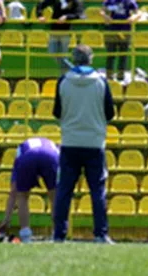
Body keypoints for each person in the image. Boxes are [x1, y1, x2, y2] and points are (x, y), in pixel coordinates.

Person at [51, 45, 115, 243]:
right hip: (94, 143)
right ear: (91, 59)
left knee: (64, 191)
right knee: (97, 190)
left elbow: (57, 112)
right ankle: (100, 234)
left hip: (70, 142)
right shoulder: (101, 82)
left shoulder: (63, 82)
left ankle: (59, 235)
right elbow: (110, 114)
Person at [0, 137, 60, 243]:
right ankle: (58, 234)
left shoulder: (21, 148)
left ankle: (25, 235)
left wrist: (7, 218)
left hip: (28, 156)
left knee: (22, 195)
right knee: (54, 196)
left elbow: (14, 191)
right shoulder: (54, 147)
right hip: (51, 156)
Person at [38, 0, 85, 71]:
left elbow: (80, 15)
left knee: (63, 57)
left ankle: (65, 76)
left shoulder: (76, 2)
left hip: (65, 32)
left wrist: (67, 17)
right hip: (54, 31)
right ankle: (74, 70)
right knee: (52, 53)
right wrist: (40, 15)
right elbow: (41, 4)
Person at [102, 0, 138, 78]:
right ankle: (109, 75)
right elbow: (102, 11)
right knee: (110, 55)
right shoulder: (110, 1)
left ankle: (121, 76)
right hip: (112, 31)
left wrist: (133, 17)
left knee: (123, 55)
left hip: (125, 31)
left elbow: (137, 13)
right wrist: (105, 16)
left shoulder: (130, 1)